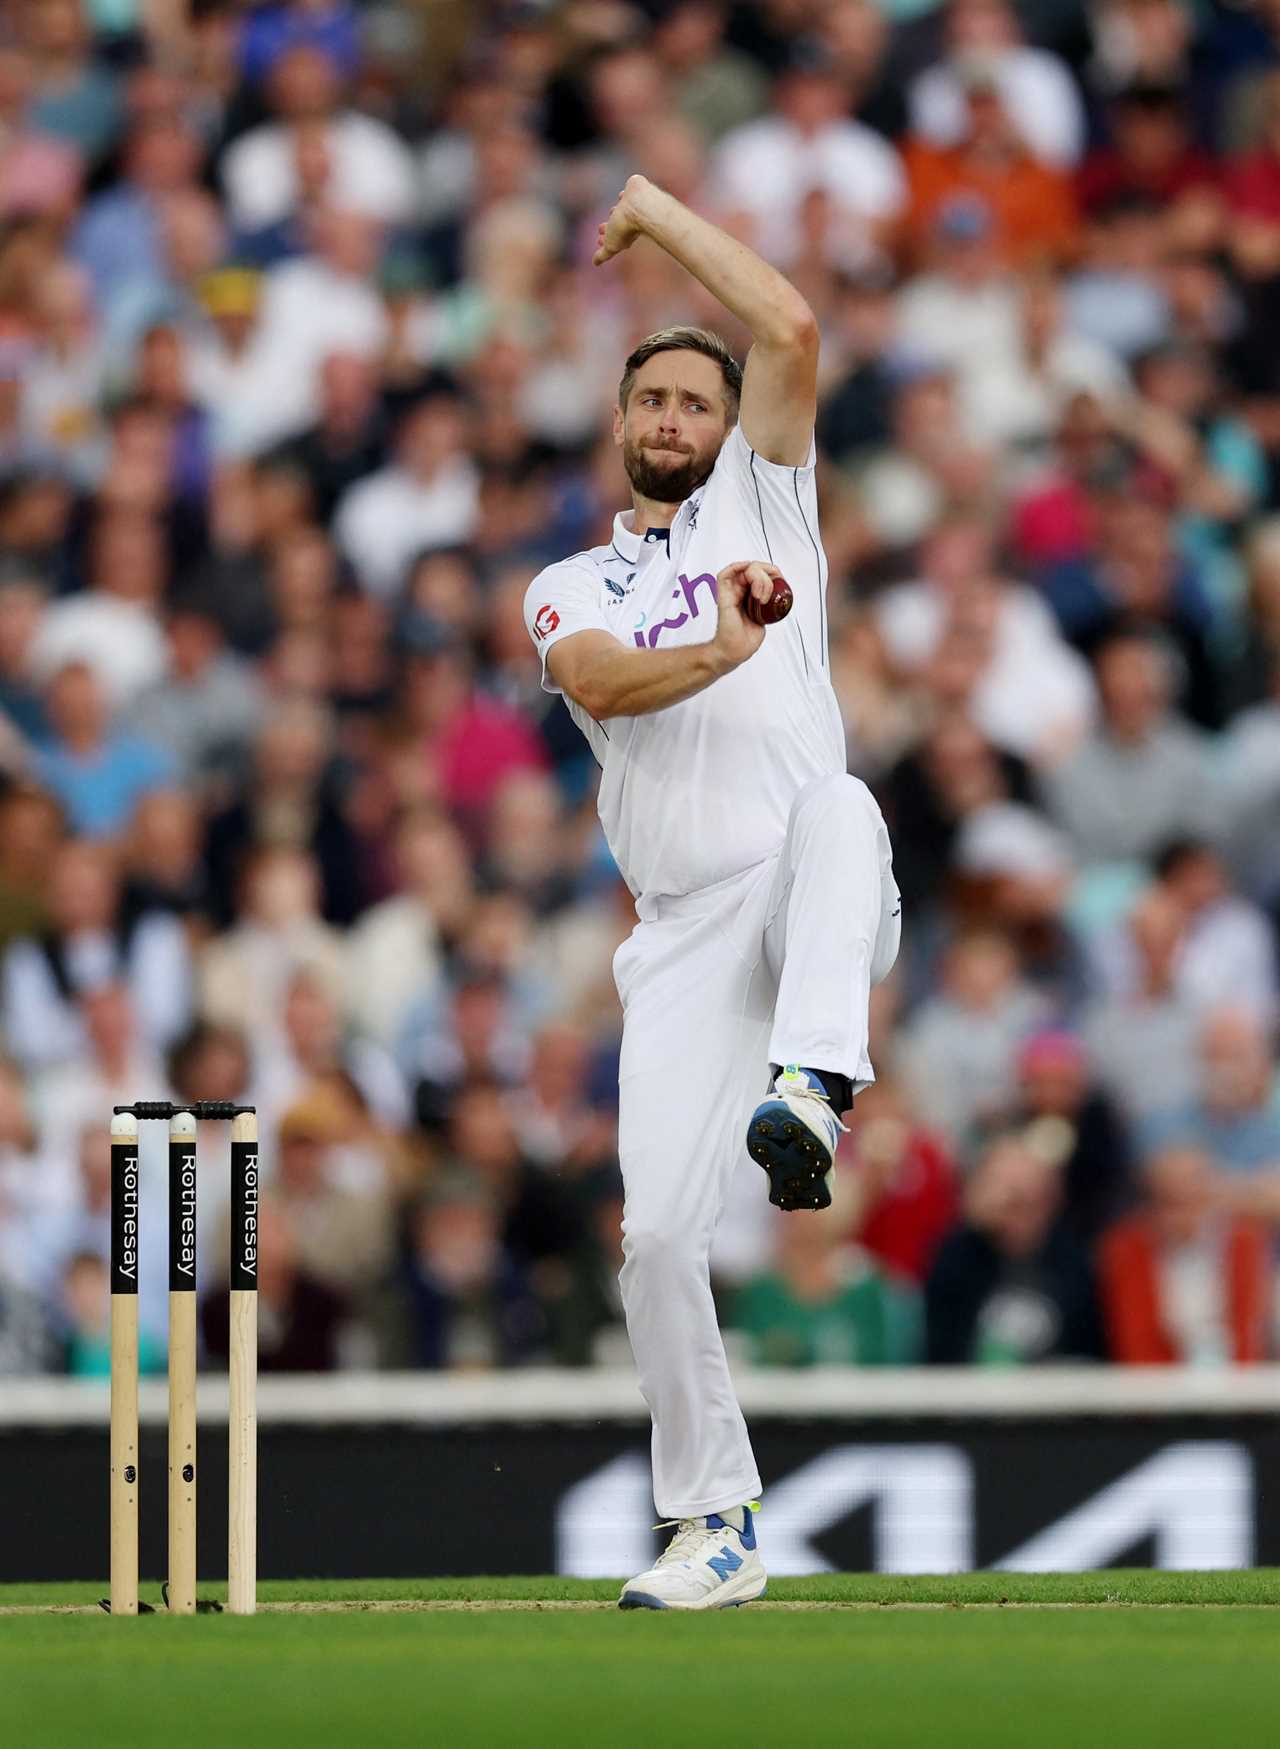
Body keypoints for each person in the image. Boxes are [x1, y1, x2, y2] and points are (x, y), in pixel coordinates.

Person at [522, 173, 901, 1610]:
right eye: (655, 404)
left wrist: (655, 215)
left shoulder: (769, 493)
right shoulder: (572, 582)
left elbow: (794, 324)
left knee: (845, 801)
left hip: (813, 892)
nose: (675, 420)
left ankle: (814, 1085)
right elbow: (598, 678)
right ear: (623, 429)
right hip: (681, 929)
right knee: (661, 1242)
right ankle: (719, 1522)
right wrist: (720, 653)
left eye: (697, 400)